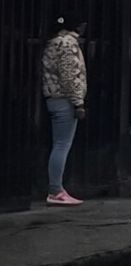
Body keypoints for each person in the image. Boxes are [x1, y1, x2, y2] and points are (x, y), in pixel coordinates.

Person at [41, 16, 88, 206]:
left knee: (58, 144)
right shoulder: (68, 44)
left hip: (53, 97)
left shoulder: (53, 42)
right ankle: (55, 190)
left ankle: (56, 189)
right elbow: (69, 76)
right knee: (62, 145)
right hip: (64, 100)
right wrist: (78, 103)